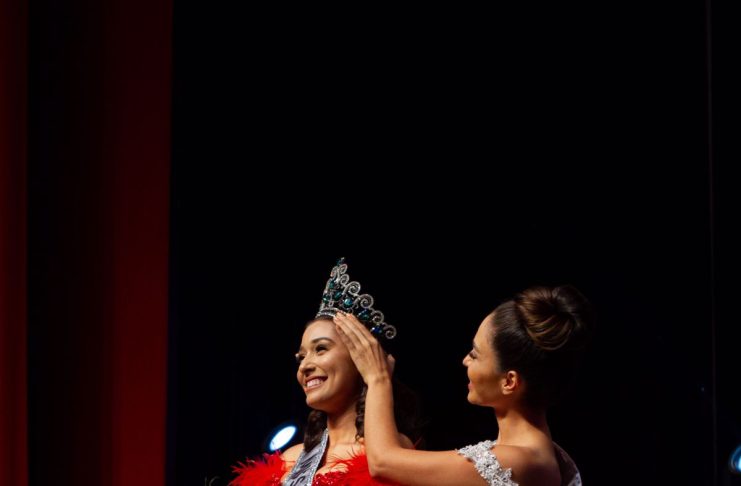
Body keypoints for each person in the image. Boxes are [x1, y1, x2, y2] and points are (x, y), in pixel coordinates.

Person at [334, 284, 592, 486]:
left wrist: (377, 378)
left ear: (509, 381)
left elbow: (383, 463)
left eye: (475, 354)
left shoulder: (525, 460)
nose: (465, 360)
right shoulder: (532, 454)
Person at [231, 258, 419, 486]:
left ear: (361, 359)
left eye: (321, 349)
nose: (304, 366)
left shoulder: (390, 454)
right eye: (301, 357)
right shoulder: (288, 460)